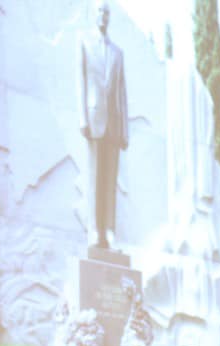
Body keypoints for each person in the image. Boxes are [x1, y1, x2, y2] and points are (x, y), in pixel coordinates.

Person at [79, 0, 128, 250]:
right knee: (95, 179)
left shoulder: (118, 53)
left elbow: (122, 93)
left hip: (114, 124)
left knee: (110, 182)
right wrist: (82, 118)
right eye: (100, 11)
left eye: (107, 12)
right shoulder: (85, 45)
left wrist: (125, 131)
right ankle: (93, 230)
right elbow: (80, 82)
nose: (103, 16)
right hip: (94, 119)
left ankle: (109, 230)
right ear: (93, 14)